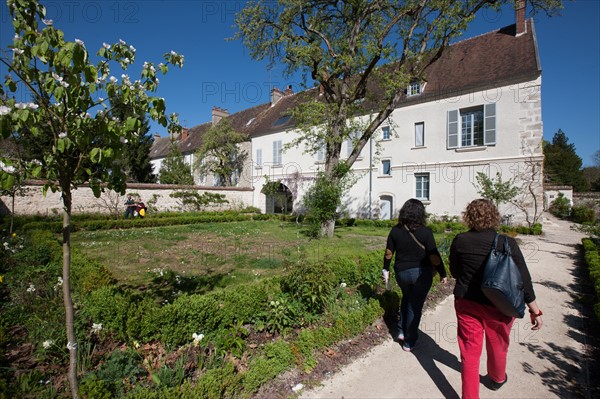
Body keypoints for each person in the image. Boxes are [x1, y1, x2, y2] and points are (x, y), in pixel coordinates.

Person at [450, 199, 543, 399]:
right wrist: (535, 309)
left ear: (469, 216)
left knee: (469, 353)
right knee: (498, 344)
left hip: (467, 302)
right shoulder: (506, 242)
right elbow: (523, 279)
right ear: (494, 216)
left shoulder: (460, 240)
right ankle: (497, 378)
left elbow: (455, 271)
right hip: (499, 305)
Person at [383, 198, 448, 352]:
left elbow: (388, 253)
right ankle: (409, 341)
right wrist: (443, 273)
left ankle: (400, 331)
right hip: (420, 274)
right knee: (415, 306)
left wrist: (385, 269)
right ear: (420, 214)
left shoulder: (395, 230)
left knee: (406, 299)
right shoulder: (426, 232)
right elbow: (434, 256)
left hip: (401, 273)